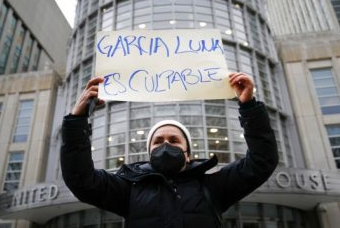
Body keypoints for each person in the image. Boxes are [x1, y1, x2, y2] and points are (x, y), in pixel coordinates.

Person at [61, 72, 279, 228]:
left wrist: (249, 107)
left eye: (174, 140)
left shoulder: (212, 187)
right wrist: (77, 119)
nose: (165, 145)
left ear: (188, 152)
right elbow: (81, 180)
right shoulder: (129, 190)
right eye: (158, 141)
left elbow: (261, 161)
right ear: (149, 152)